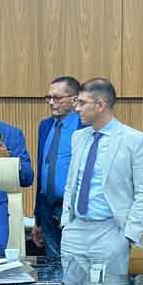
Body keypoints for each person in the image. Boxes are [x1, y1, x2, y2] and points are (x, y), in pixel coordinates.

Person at [60, 78, 143, 276]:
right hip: (75, 231)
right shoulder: (78, 137)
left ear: (100, 105)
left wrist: (129, 235)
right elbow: (71, 184)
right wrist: (66, 223)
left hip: (111, 231)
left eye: (82, 103)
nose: (77, 108)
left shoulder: (135, 140)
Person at [33, 76, 84, 258]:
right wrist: (38, 218)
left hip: (74, 210)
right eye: (49, 97)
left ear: (74, 100)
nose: (51, 102)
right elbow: (42, 172)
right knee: (52, 265)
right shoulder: (45, 126)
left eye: (57, 98)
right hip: (47, 209)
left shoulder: (85, 127)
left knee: (75, 263)